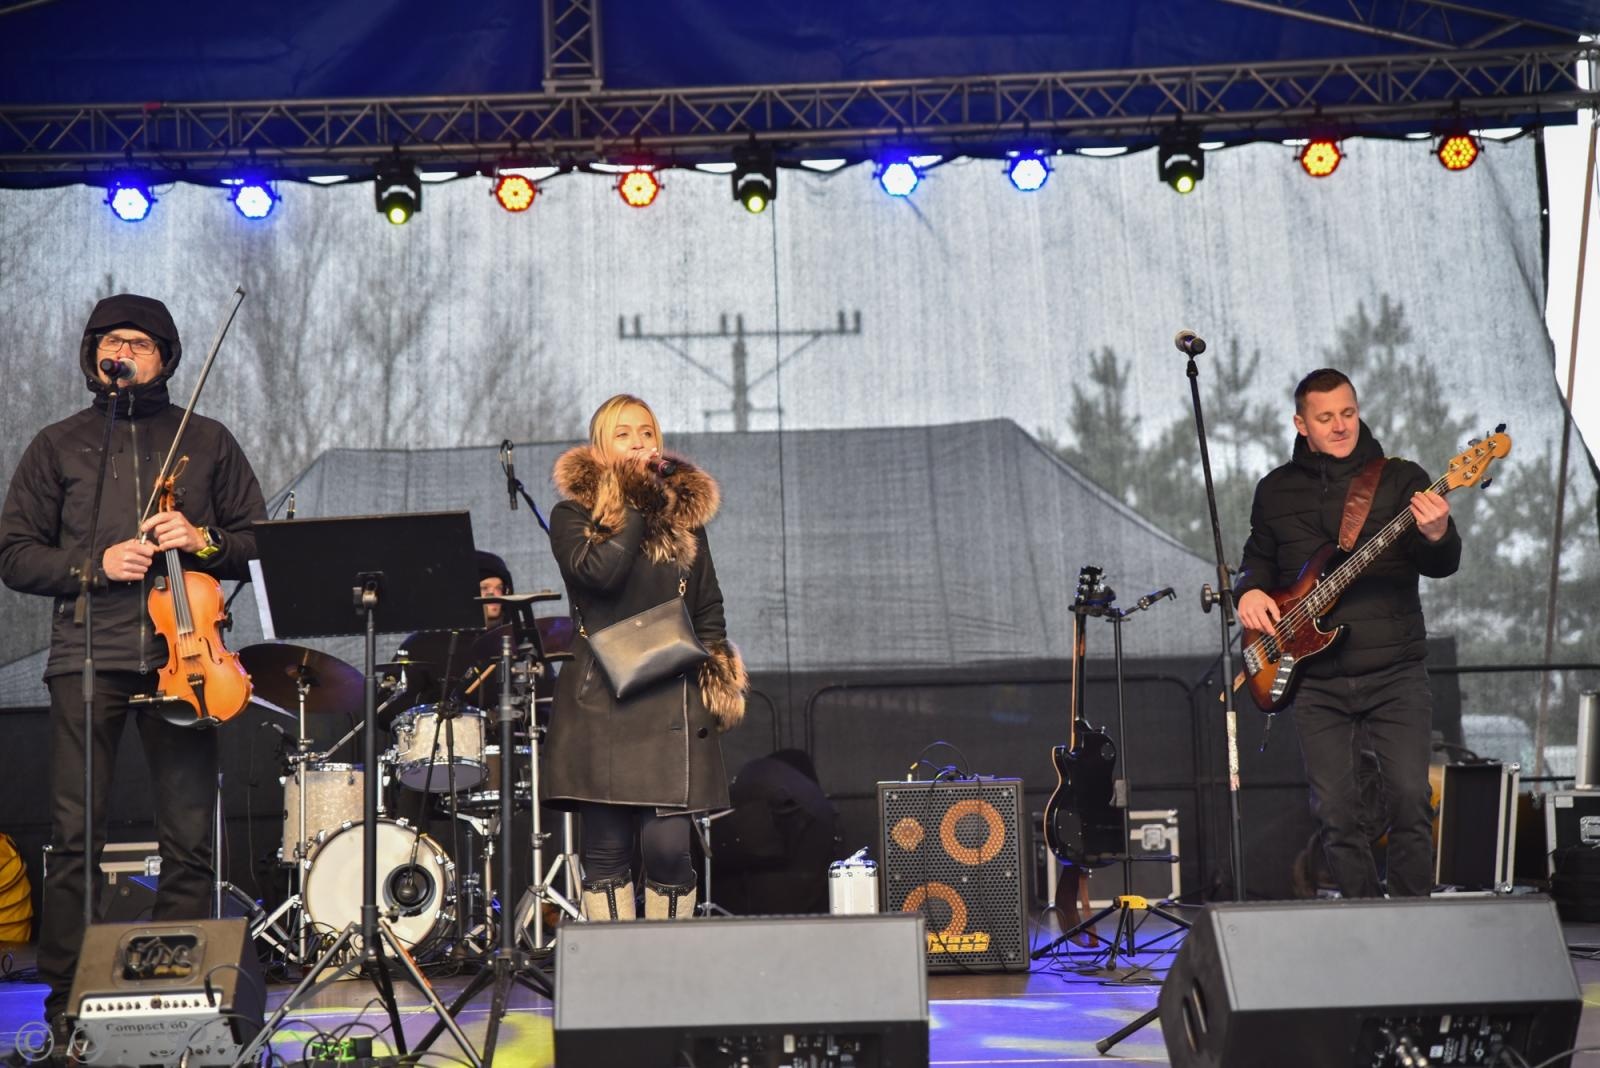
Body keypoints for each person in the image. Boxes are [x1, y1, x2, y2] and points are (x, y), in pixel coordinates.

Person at [0, 294, 266, 1047]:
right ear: (93, 354)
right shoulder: (59, 444)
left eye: (140, 343)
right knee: (74, 837)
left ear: (165, 359)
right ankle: (67, 1003)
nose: (124, 351)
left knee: (187, 838)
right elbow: (14, 552)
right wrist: (95, 563)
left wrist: (204, 538)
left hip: (187, 662)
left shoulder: (207, 440)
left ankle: (176, 996)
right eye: (112, 340)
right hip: (90, 656)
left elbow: (261, 537)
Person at [1235, 367, 1458, 898]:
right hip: (1313, 679)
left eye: (1348, 413)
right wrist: (1247, 592)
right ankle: (1365, 921)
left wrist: (1437, 533)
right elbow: (1257, 561)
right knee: (1336, 813)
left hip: (1394, 671)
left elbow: (1442, 564)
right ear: (1301, 423)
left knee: (1409, 798)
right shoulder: (1275, 490)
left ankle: (1412, 922)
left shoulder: (1402, 479)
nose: (1340, 426)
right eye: (1325, 417)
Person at [543, 393, 746, 921]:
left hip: (671, 696)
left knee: (668, 850)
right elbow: (599, 576)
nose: (639, 443)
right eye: (624, 434)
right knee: (606, 854)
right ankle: (615, 980)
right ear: (600, 446)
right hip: (600, 698)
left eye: (647, 433)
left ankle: (668, 975)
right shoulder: (572, 513)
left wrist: (715, 678)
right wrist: (632, 499)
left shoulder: (684, 521)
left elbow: (708, 605)